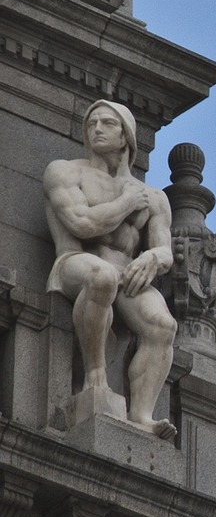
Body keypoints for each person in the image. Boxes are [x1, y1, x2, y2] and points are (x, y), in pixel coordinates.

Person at [43, 99, 177, 438]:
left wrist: (152, 258)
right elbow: (82, 223)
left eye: (106, 123)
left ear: (126, 137)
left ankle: (142, 416)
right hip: (75, 262)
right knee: (100, 277)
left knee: (163, 325)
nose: (97, 129)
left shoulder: (155, 197)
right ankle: (95, 378)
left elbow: (164, 249)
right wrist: (125, 204)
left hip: (126, 272)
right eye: (92, 124)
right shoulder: (65, 171)